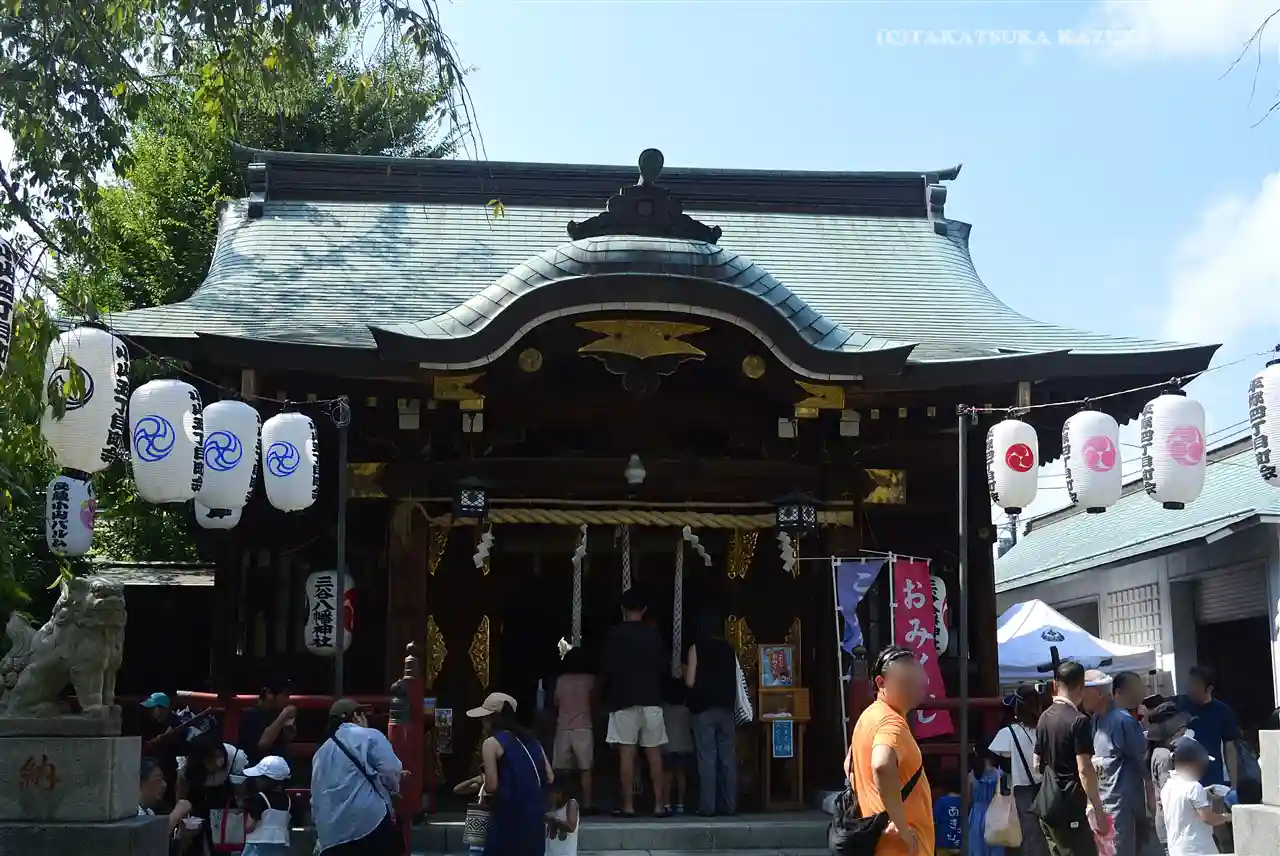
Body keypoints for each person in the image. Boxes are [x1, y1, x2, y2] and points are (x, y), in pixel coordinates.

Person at [849, 645, 933, 856]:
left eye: (917, 681)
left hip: (878, 839)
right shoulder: (891, 723)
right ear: (881, 683)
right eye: (906, 683)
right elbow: (881, 763)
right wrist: (901, 827)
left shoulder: (868, 716)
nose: (915, 689)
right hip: (900, 846)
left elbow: (848, 765)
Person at [600, 588, 667, 817]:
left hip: (623, 699)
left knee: (626, 755)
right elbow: (663, 666)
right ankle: (659, 805)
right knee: (654, 754)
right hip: (651, 698)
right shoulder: (653, 635)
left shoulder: (614, 635)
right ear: (644, 610)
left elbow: (607, 668)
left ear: (622, 608)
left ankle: (628, 805)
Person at [311, 698, 403, 855]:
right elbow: (391, 769)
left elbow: (315, 795)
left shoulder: (320, 753)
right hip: (368, 824)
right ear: (356, 716)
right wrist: (393, 789)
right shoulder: (369, 735)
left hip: (331, 834)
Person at [1031, 660, 1104, 856]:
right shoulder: (1079, 721)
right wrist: (1098, 810)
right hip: (1069, 806)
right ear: (1081, 687)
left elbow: (1036, 763)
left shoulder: (1044, 717)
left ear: (1055, 685)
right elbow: (1084, 770)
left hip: (1047, 804)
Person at [472, 691, 554, 856]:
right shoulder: (533, 741)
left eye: (484, 717)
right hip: (535, 817)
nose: (481, 721)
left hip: (507, 817)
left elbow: (492, 786)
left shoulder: (491, 743)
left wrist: (479, 783)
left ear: (492, 717)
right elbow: (550, 777)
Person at [1082, 671, 1149, 856]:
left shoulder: (1122, 720)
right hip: (1102, 800)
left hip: (1122, 804)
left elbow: (1141, 756)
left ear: (1098, 693)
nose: (1080, 696)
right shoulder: (1095, 718)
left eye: (1084, 690)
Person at [684, 610, 739, 818]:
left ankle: (707, 807)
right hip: (726, 708)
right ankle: (729, 805)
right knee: (727, 759)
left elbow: (690, 681)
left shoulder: (696, 648)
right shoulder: (729, 648)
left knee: (707, 758)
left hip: (703, 709)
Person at [988, 683, 1047, 856]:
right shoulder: (1045, 729)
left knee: (1026, 837)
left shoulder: (1008, 733)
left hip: (1021, 788)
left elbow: (998, 762)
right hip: (1047, 788)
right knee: (1045, 836)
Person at [1159, 737, 1230, 856]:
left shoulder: (1168, 786)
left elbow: (1184, 804)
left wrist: (1205, 793)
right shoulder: (1194, 787)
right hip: (1197, 849)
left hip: (1177, 849)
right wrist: (1228, 817)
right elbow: (1208, 818)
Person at [1176, 667, 1239, 790]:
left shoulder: (1223, 712)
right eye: (1190, 683)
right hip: (1184, 779)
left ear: (1209, 688)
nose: (1190, 689)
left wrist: (1234, 785)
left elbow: (1230, 750)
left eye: (1196, 685)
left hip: (1212, 778)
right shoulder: (1181, 707)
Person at [551, 647, 596, 813]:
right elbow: (594, 701)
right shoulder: (589, 680)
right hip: (583, 728)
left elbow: (555, 702)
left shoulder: (561, 680)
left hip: (563, 728)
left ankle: (558, 804)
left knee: (561, 771)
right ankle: (587, 804)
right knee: (585, 769)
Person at [1145, 702, 1191, 856]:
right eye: (1182, 729)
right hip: (1171, 825)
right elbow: (1170, 795)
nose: (1185, 732)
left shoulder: (1161, 752)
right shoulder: (1164, 757)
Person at [238, 675, 297, 766]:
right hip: (260, 767)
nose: (287, 699)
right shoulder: (251, 715)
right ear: (269, 693)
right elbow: (263, 744)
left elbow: (288, 739)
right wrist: (283, 716)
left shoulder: (278, 712)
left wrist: (289, 724)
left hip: (281, 766)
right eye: (285, 695)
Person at [139, 756, 197, 844]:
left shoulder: (149, 812)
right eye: (158, 780)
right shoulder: (133, 812)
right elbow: (149, 840)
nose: (164, 785)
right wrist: (177, 813)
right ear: (140, 784)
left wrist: (181, 836)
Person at [661, 676, 694, 815]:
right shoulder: (686, 711)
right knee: (681, 775)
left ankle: (666, 803)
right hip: (685, 746)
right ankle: (680, 804)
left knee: (667, 776)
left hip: (667, 746)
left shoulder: (663, 710)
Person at [968, 748, 1006, 856]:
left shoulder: (971, 776)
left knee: (977, 849)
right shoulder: (1000, 775)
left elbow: (968, 800)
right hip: (995, 815)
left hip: (976, 816)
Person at [545, 781, 581, 856]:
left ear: (559, 793)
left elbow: (571, 827)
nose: (548, 797)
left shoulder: (571, 804)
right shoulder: (552, 808)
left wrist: (554, 820)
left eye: (551, 794)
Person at [932, 771, 962, 856]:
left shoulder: (941, 801)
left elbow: (934, 822)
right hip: (960, 844)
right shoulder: (965, 801)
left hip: (943, 844)